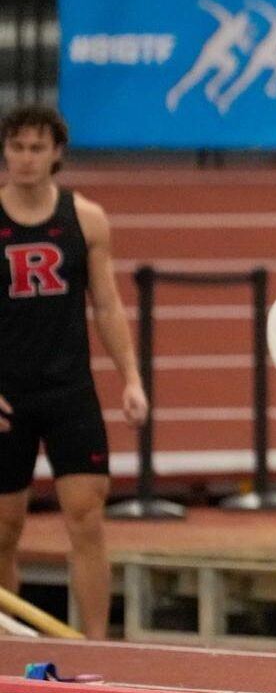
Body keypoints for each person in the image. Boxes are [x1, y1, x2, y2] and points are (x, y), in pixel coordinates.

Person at [0, 105, 148, 640]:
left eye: (37, 148)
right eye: (16, 147)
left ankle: (97, 648)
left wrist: (130, 377)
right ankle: (10, 648)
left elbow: (106, 306)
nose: (25, 159)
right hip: (7, 395)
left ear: (56, 154)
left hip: (69, 391)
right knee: (4, 530)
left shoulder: (85, 218)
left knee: (86, 520)